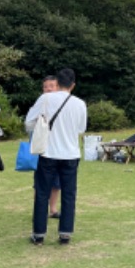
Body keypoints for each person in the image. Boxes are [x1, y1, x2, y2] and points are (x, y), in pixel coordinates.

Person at [28, 68, 87, 245]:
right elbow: (81, 129)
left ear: (57, 83)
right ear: (73, 85)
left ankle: (39, 233)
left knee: (42, 193)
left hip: (49, 152)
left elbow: (29, 121)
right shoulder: (80, 104)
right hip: (70, 153)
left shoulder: (45, 99)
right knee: (69, 194)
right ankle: (65, 232)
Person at [40, 75, 61, 218]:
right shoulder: (40, 104)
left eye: (51, 86)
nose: (48, 89)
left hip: (59, 148)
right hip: (43, 148)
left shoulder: (62, 104)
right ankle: (40, 209)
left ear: (58, 87)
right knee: (40, 183)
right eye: (46, 86)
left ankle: (53, 209)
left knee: (56, 182)